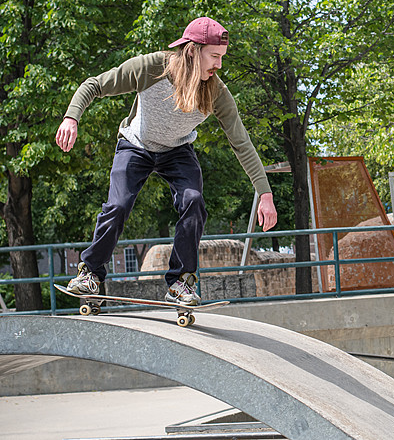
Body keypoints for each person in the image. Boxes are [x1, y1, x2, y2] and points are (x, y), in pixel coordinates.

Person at [55, 17, 277, 306]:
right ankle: (91, 275)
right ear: (192, 51)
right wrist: (71, 117)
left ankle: (181, 281)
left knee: (194, 201)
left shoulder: (216, 91)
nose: (219, 65)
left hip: (178, 151)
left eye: (222, 58)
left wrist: (265, 192)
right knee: (118, 206)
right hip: (136, 146)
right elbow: (94, 85)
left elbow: (241, 142)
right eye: (214, 57)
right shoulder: (151, 68)